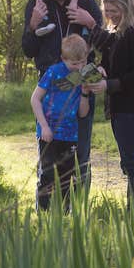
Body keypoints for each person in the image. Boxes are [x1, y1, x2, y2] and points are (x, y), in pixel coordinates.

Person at [22, 0, 101, 189]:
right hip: (50, 85)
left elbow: (104, 43)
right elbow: (28, 50)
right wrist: (33, 25)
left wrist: (90, 22)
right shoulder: (37, 4)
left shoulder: (86, 1)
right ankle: (48, 205)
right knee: (48, 154)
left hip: (82, 79)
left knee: (81, 154)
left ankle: (79, 205)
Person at [78, 0, 134, 206]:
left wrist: (108, 85)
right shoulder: (117, 33)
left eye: (114, 10)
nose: (110, 15)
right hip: (118, 107)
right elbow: (111, 63)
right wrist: (101, 70)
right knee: (128, 160)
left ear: (127, 7)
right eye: (107, 11)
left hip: (131, 106)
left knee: (131, 160)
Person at [30, 34, 91, 211]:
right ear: (64, 58)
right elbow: (35, 99)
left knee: (67, 177)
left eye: (82, 62)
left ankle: (63, 215)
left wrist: (85, 92)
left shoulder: (82, 75)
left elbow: (83, 113)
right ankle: (43, 213)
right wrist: (44, 127)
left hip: (70, 135)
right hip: (48, 133)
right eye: (74, 64)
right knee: (48, 174)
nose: (79, 67)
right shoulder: (53, 72)